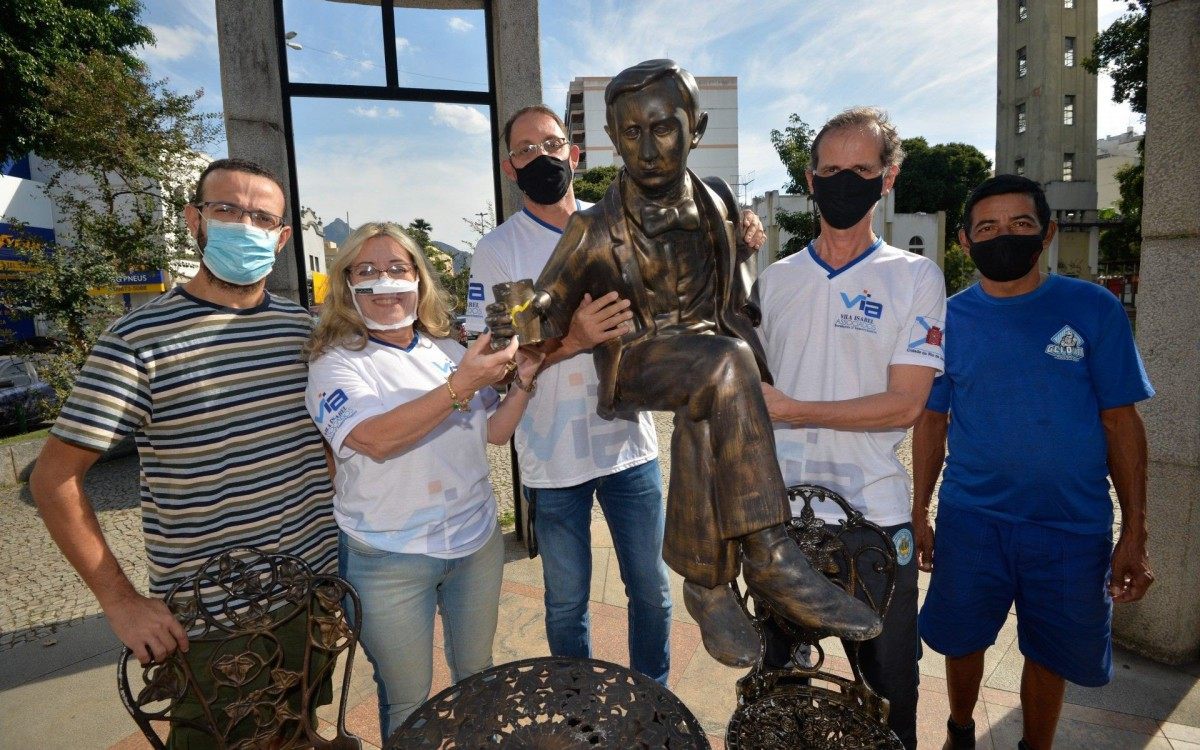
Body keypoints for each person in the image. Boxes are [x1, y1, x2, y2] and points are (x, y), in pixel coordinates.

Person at [486, 59, 882, 668]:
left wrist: (746, 269)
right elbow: (548, 302)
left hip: (710, 357)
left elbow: (731, 289)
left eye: (663, 128)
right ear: (612, 140)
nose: (647, 150)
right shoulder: (591, 228)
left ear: (694, 128)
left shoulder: (718, 198)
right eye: (631, 133)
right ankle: (769, 552)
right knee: (723, 368)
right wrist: (520, 316)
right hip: (639, 362)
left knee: (712, 399)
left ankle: (707, 583)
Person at [30, 157, 340, 746]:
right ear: (194, 220)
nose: (244, 226)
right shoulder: (136, 341)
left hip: (312, 595)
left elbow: (323, 443)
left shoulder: (303, 331)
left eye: (262, 217)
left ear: (281, 239)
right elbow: (54, 480)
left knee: (300, 732)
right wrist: (121, 602)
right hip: (216, 620)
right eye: (227, 210)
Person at [913, 175, 1155, 750]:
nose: (1005, 236)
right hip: (973, 520)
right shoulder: (945, 321)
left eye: (1020, 224)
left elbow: (1121, 423)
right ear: (966, 241)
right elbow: (931, 422)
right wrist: (919, 511)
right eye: (988, 227)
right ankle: (960, 730)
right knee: (962, 640)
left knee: (1052, 653)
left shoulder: (1092, 309)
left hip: (1072, 526)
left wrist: (1135, 531)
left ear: (1046, 233)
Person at [754, 106, 945, 749]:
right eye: (830, 170)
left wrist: (794, 409)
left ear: (887, 178)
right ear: (810, 180)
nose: (843, 182)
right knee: (782, 697)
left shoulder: (915, 276)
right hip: (783, 521)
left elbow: (904, 404)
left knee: (890, 694)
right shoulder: (775, 281)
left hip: (875, 521)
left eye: (860, 170)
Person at [305, 221, 543, 736]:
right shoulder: (335, 364)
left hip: (475, 542)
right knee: (409, 700)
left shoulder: (448, 351)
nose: (385, 281)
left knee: (477, 675)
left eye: (398, 268)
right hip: (388, 554)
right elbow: (375, 439)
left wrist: (525, 378)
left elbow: (495, 431)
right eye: (367, 270)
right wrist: (462, 384)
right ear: (347, 284)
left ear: (419, 279)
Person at [466, 104, 673, 684]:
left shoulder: (617, 227)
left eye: (551, 144)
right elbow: (497, 369)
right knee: (565, 602)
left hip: (629, 445)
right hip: (551, 455)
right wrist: (574, 340)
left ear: (574, 154)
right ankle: (575, 701)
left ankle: (652, 697)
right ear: (509, 167)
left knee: (652, 591)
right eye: (525, 149)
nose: (541, 157)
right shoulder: (499, 250)